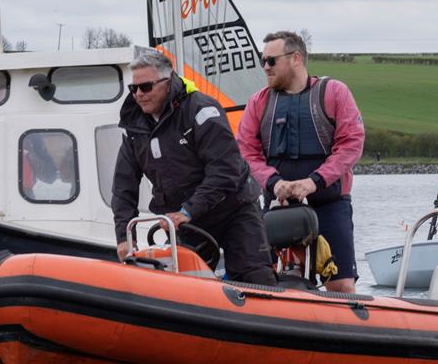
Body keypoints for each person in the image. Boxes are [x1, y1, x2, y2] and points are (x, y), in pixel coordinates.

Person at [111, 50, 276, 286]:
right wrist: (123, 237)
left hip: (232, 209)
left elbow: (224, 169)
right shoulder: (135, 129)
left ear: (167, 83)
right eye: (133, 88)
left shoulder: (201, 110)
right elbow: (123, 185)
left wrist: (188, 210)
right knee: (186, 285)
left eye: (145, 87)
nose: (138, 94)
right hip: (184, 221)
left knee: (254, 277)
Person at [237, 31, 365, 293]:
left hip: (329, 204)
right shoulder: (258, 102)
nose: (265, 67)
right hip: (277, 206)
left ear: (296, 58)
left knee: (340, 284)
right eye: (263, 61)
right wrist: (273, 182)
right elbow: (247, 151)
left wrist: (315, 181)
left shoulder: (334, 93)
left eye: (271, 61)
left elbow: (351, 144)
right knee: (267, 280)